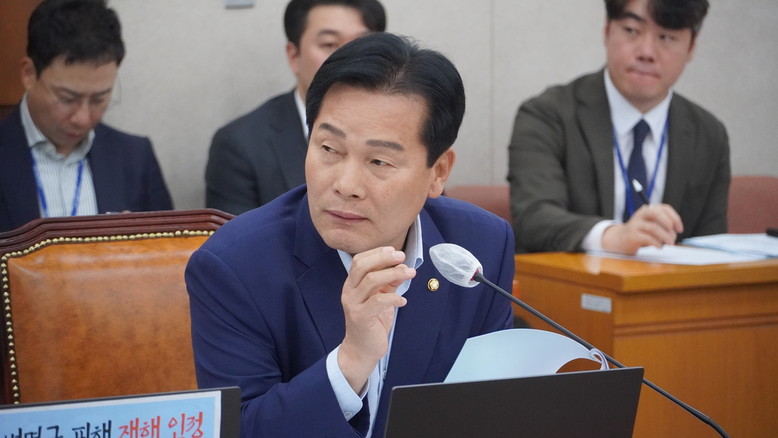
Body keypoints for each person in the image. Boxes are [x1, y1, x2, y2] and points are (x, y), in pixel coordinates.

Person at [186, 33, 514, 438]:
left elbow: (491, 405)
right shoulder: (234, 267)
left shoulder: (481, 245)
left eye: (379, 161)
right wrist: (350, 362)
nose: (346, 184)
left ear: (439, 172)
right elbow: (239, 430)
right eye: (329, 149)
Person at [508, 0, 729, 254]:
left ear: (691, 47)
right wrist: (611, 236)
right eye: (632, 30)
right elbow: (533, 217)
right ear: (607, 30)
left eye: (667, 37)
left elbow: (712, 246)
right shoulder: (547, 115)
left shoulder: (708, 135)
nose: (646, 52)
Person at [0, 0, 173, 233]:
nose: (82, 118)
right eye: (67, 98)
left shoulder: (135, 158)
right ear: (29, 74)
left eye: (99, 99)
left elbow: (170, 250)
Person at [205, 0, 386, 215]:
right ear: (294, 56)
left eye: (362, 44)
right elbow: (235, 235)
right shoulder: (240, 144)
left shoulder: (406, 130)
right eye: (329, 44)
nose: (349, 60)